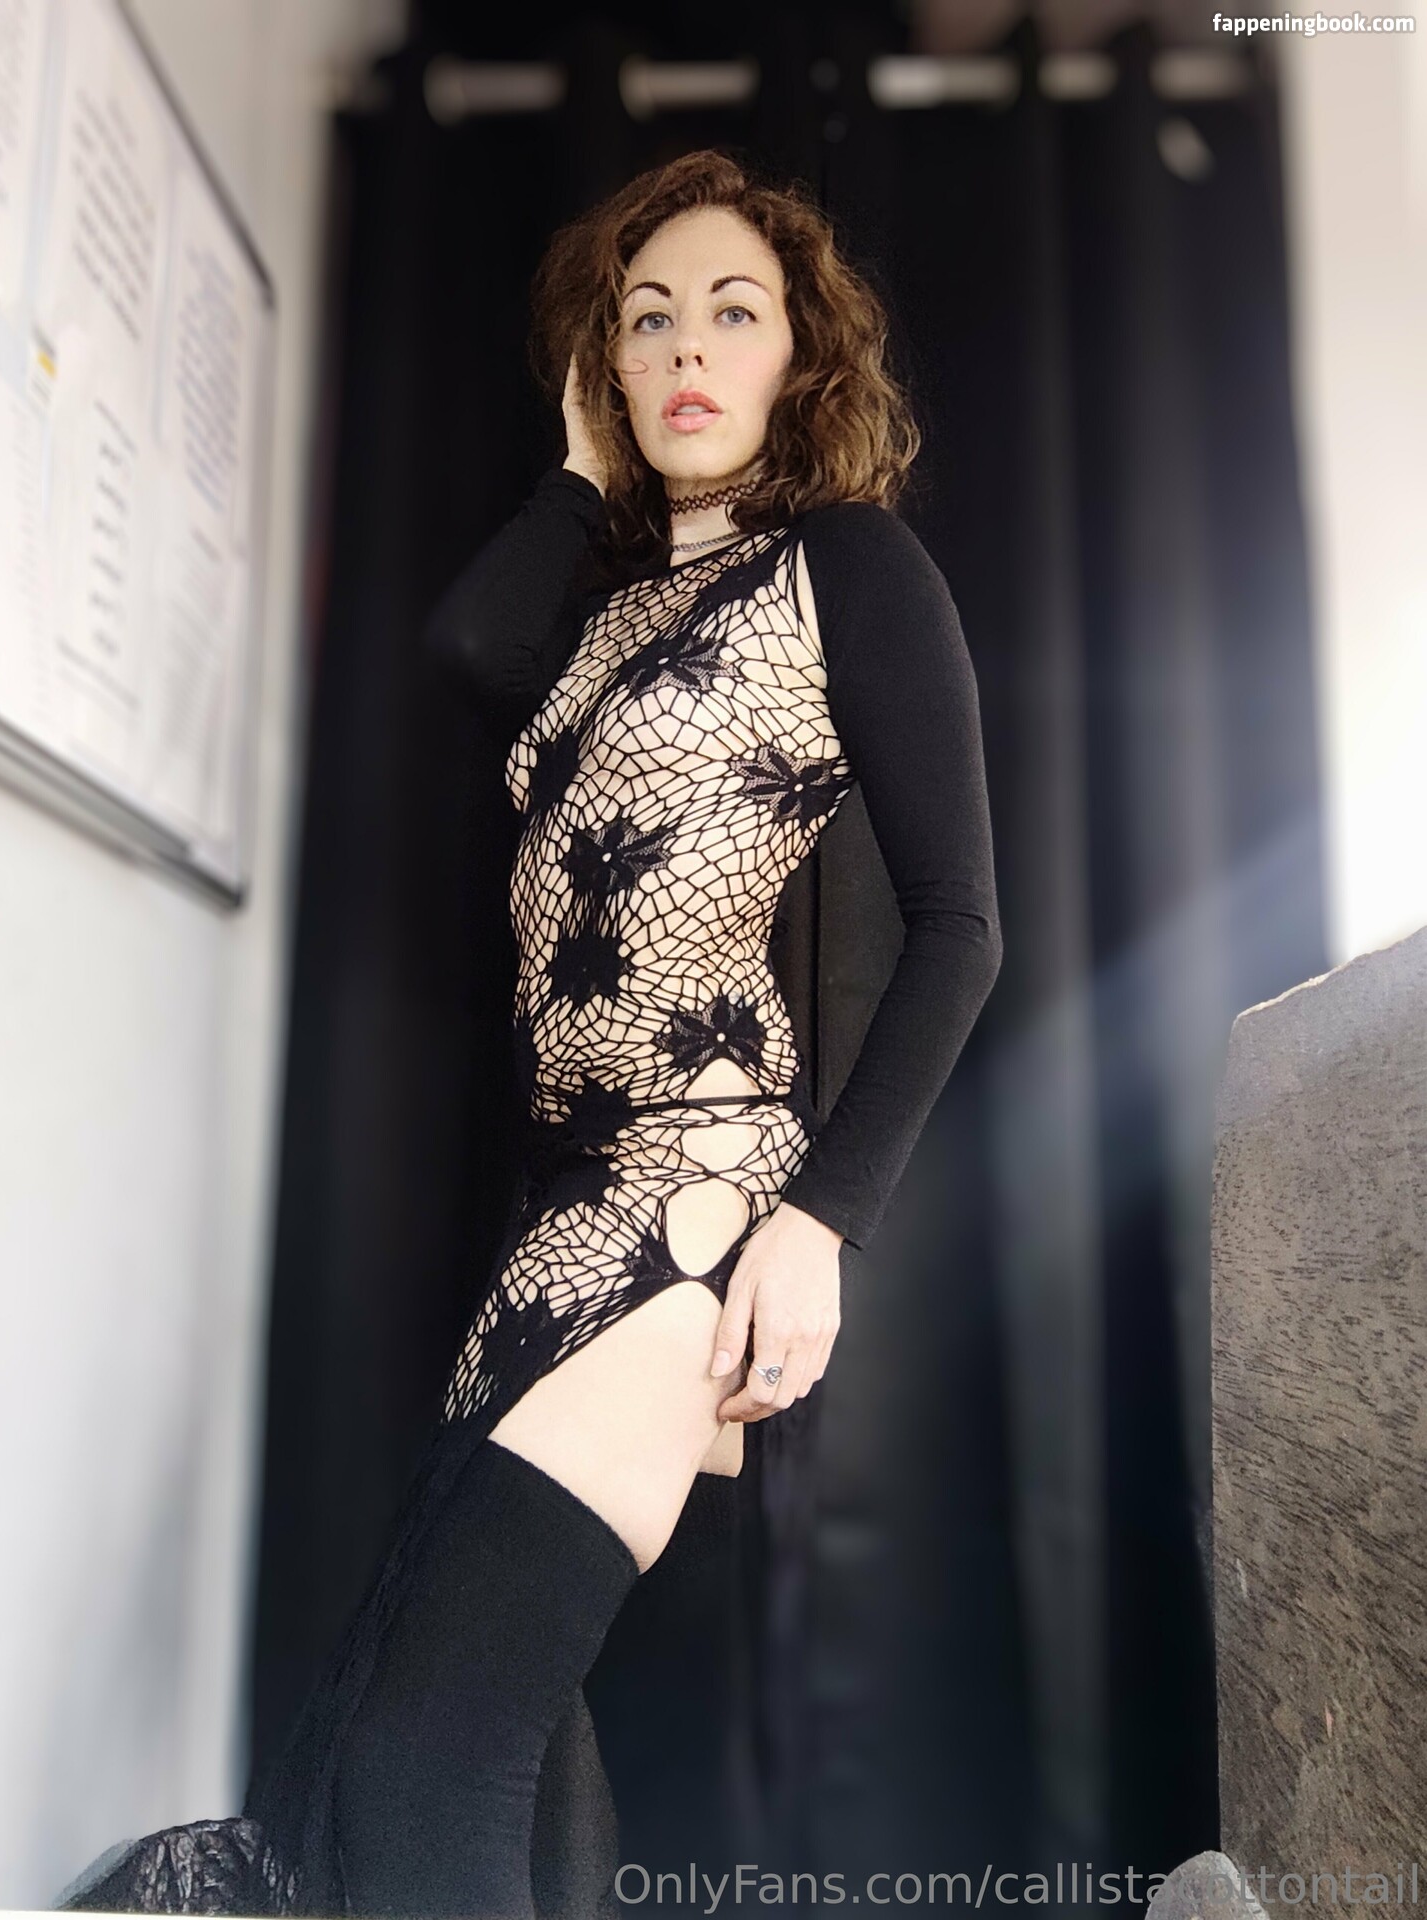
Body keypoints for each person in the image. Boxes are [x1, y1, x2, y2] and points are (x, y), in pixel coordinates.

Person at [57, 147, 1002, 1918]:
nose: (686, 348)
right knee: (461, 1730)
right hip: (562, 1204)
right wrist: (580, 470)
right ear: (604, 365)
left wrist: (820, 1224)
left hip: (694, 1192)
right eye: (646, 321)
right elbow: (464, 651)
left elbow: (960, 927)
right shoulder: (605, 605)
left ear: (801, 355)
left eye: (733, 312)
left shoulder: (848, 567)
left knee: (430, 1755)